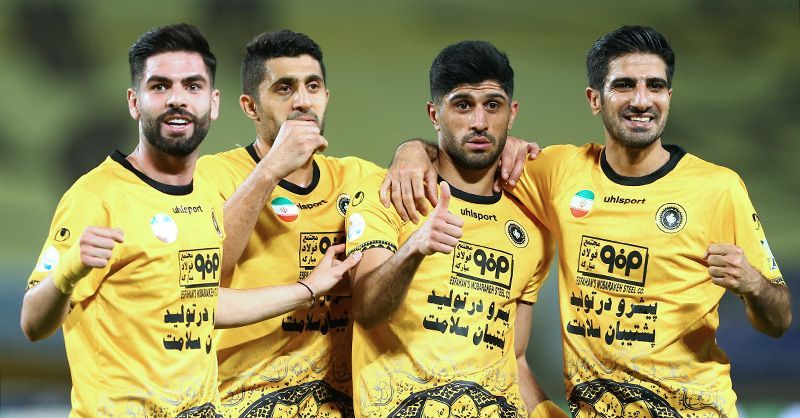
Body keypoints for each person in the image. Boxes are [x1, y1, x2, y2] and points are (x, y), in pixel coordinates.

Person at [19, 23, 359, 417]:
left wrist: (307, 289)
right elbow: (33, 323)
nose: (177, 99)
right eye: (160, 86)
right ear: (134, 102)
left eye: (192, 86)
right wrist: (68, 272)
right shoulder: (97, 196)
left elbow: (200, 303)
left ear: (213, 103)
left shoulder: (206, 194)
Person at [506, 25, 791, 416]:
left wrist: (754, 284)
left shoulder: (718, 188)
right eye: (624, 85)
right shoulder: (560, 171)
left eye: (655, 86)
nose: (641, 100)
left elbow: (779, 321)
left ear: (668, 97)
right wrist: (421, 153)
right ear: (594, 99)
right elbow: (466, 164)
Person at [345, 40, 563, 418]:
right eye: (463, 105)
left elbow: (514, 357)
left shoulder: (532, 224)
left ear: (511, 113)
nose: (479, 122)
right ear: (435, 113)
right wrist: (414, 248)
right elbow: (365, 309)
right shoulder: (391, 194)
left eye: (492, 105)